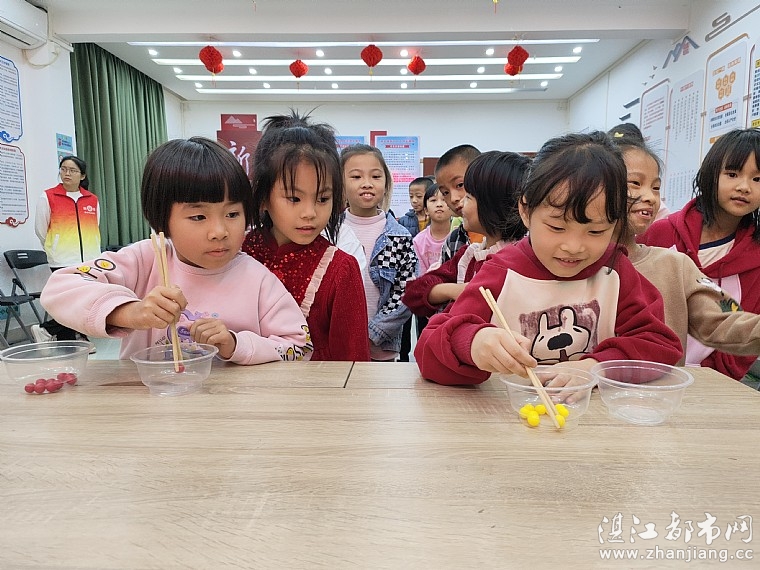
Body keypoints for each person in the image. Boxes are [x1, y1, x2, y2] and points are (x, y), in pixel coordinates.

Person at [414, 131, 682, 386]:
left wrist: (595, 367)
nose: (573, 247)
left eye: (596, 231)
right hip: (509, 414)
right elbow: (429, 349)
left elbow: (658, 345)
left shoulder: (614, 270)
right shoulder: (502, 271)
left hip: (596, 416)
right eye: (557, 227)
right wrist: (472, 343)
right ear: (525, 210)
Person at [40, 137, 312, 364]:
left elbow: (300, 347)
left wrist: (235, 344)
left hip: (231, 406)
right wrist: (131, 312)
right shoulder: (146, 258)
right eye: (198, 217)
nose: (220, 231)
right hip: (150, 400)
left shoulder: (257, 278)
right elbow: (60, 288)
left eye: (232, 214)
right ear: (162, 219)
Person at [613, 133, 760, 367]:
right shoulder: (568, 261)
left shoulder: (675, 265)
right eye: (635, 183)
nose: (650, 197)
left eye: (656, 187)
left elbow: (723, 318)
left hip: (672, 385)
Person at [241, 111, 370, 361]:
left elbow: (355, 363)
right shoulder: (238, 252)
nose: (310, 213)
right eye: (294, 198)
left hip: (317, 385)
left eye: (323, 198)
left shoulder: (341, 269)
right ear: (263, 197)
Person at [403, 151, 530, 318]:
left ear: (494, 203)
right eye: (445, 192)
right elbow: (413, 293)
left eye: (468, 196)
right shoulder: (469, 255)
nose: (459, 201)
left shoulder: (521, 258)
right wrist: (458, 290)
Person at [340, 144, 417, 361]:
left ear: (386, 183)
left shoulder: (399, 236)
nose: (367, 183)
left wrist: (373, 334)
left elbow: (405, 292)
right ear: (340, 184)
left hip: (380, 349)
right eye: (356, 176)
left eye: (375, 176)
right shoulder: (329, 233)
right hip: (338, 344)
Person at [33, 155, 100, 347]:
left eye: (72, 170)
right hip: (62, 259)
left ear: (82, 175)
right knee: (71, 301)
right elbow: (41, 230)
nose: (67, 173)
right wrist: (55, 247)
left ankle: (58, 335)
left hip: (89, 260)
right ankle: (57, 333)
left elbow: (95, 226)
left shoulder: (92, 199)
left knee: (84, 299)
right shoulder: (48, 197)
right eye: (63, 169)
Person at [396, 175, 435, 360]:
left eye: (419, 196)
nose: (414, 200)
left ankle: (423, 352)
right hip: (408, 279)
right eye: (411, 196)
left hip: (427, 282)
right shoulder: (404, 221)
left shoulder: (436, 219)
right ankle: (403, 355)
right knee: (404, 320)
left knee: (423, 321)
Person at [435, 145, 483, 262]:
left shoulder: (514, 234)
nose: (453, 198)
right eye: (445, 192)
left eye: (460, 185)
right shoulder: (453, 241)